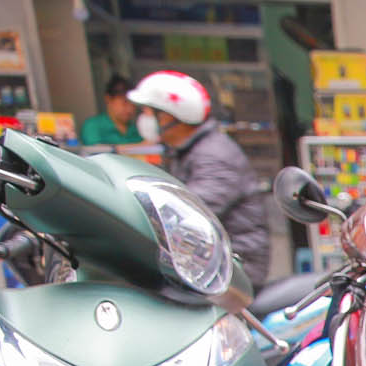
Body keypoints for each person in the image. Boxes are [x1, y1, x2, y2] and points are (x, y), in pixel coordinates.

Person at [127, 70, 269, 287]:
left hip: (232, 266)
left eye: (147, 112)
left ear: (167, 116)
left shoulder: (214, 156)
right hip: (205, 260)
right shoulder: (186, 151)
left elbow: (187, 212)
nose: (143, 119)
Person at [80, 76, 141, 147]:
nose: (130, 109)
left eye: (133, 105)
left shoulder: (136, 129)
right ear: (108, 99)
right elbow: (96, 150)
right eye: (125, 103)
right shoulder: (93, 126)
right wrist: (140, 146)